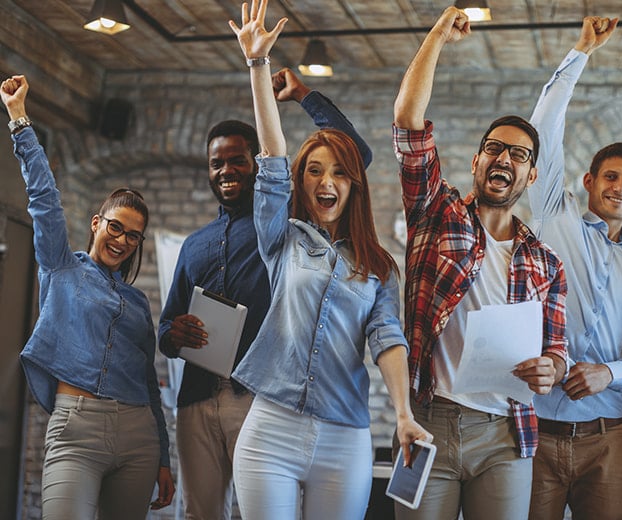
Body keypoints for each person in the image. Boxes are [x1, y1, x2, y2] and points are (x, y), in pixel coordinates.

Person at [226, 1, 431, 518]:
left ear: (353, 184)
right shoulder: (283, 238)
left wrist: (403, 414)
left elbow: (388, 338)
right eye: (314, 171)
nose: (326, 181)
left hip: (344, 436)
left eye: (339, 172)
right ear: (303, 182)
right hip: (269, 428)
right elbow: (272, 155)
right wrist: (257, 67)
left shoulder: (379, 267)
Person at [157, 68, 373, 520]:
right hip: (196, 397)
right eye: (217, 163)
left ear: (259, 162)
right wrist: (173, 333)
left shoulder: (287, 226)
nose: (227, 170)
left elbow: (358, 155)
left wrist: (303, 95)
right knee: (200, 513)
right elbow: (166, 327)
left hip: (257, 397)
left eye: (238, 160)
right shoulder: (193, 244)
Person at [392, 6, 568, 519]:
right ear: (476, 162)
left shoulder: (546, 262)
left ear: (531, 176)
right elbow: (408, 121)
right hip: (428, 422)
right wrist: (439, 37)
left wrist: (550, 369)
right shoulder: (435, 211)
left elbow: (556, 352)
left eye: (518, 155)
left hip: (506, 432)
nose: (504, 160)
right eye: (494, 149)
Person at [1, 75, 174, 519]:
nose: (122, 240)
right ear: (97, 222)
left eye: (133, 237)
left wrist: (163, 458)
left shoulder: (137, 304)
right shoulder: (62, 266)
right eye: (115, 227)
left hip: (139, 435)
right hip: (76, 428)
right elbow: (44, 198)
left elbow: (149, 382)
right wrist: (19, 119)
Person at [527, 17, 622, 520]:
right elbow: (543, 130)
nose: (620, 188)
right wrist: (581, 51)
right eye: (611, 176)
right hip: (537, 432)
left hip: (609, 441)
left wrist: (611, 372)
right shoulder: (554, 217)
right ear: (588, 180)